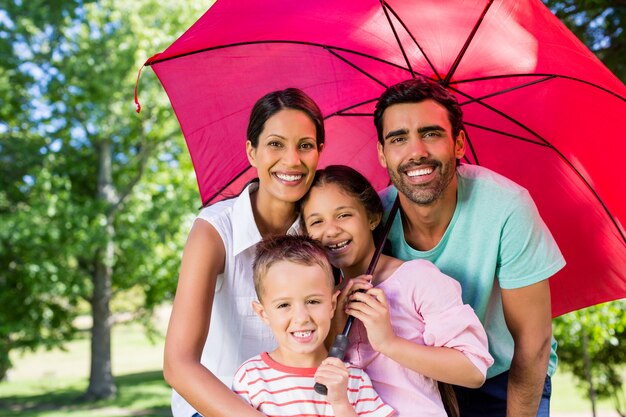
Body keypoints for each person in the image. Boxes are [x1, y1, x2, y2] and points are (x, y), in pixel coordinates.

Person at [372, 77, 566, 417]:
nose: (416, 152)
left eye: (431, 134)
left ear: (458, 143)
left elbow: (532, 344)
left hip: (503, 375)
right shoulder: (371, 219)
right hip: (419, 375)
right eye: (398, 138)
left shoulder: (506, 207)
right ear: (382, 154)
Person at [163, 88, 325, 417]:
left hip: (298, 403)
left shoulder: (321, 231)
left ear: (319, 151)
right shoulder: (214, 230)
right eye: (276, 144)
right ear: (252, 152)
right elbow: (178, 365)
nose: (292, 159)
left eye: (305, 146)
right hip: (217, 406)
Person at [300, 165, 494, 417]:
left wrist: (388, 343)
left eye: (344, 215)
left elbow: (473, 371)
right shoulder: (324, 302)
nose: (331, 230)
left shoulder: (418, 279)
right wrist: (334, 328)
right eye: (316, 221)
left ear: (372, 217)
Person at [232, 234, 395, 417]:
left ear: (332, 305)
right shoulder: (250, 378)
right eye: (284, 305)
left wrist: (341, 403)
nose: (301, 318)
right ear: (263, 313)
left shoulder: (354, 379)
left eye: (313, 301)